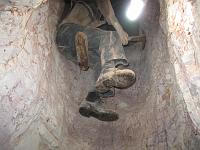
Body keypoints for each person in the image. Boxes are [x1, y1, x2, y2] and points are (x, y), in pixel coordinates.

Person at [56, 0, 136, 121]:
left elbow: (91, 33)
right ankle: (108, 71)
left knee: (100, 61)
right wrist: (119, 29)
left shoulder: (94, 17)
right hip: (66, 33)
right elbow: (109, 13)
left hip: (69, 48)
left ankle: (92, 101)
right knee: (110, 36)